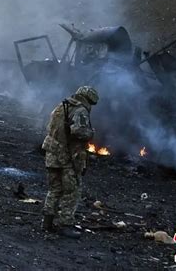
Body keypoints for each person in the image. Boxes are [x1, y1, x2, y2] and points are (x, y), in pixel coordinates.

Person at [41, 86, 99, 239]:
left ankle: (47, 221)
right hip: (68, 156)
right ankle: (65, 225)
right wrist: (91, 133)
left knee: (54, 189)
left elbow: (51, 127)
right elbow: (78, 131)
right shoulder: (80, 110)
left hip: (52, 153)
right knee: (71, 191)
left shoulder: (62, 106)